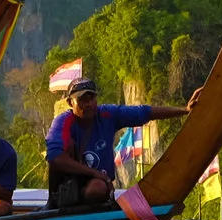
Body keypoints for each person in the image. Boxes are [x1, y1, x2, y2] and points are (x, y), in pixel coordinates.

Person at [44, 78, 195, 209]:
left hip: (97, 184)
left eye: (91, 99)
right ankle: (54, 203)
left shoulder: (107, 114)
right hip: (71, 181)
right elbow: (55, 157)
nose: (89, 104)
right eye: (83, 100)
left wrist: (184, 110)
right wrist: (92, 172)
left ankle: (90, 211)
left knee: (97, 189)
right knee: (65, 145)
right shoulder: (63, 121)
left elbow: (144, 113)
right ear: (71, 102)